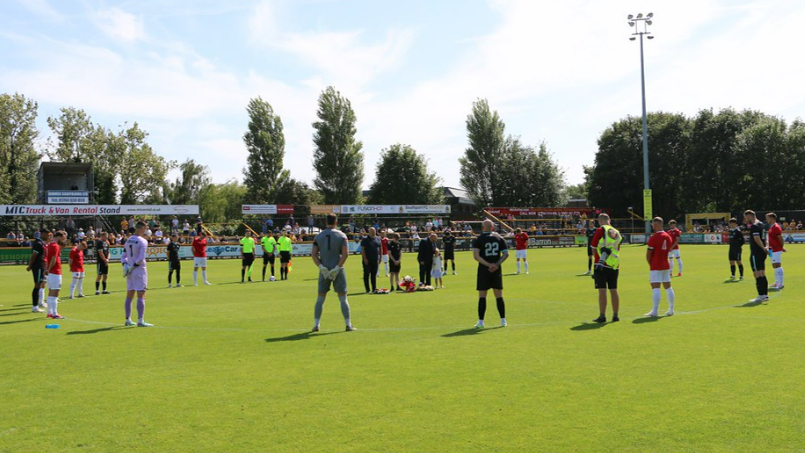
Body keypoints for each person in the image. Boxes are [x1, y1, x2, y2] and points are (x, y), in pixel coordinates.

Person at [311, 214, 355, 332]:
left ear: (326, 222)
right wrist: (337, 268)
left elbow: (313, 254)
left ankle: (316, 325)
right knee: (343, 298)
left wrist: (321, 267)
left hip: (324, 270)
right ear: (336, 222)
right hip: (338, 270)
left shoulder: (318, 236)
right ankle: (348, 324)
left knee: (320, 298)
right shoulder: (342, 235)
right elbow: (345, 254)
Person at [472, 219, 509, 328]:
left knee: (482, 296)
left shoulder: (478, 239)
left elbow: (476, 256)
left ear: (483, 228)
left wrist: (488, 265)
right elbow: (506, 254)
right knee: (499, 296)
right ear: (492, 227)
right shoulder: (499, 238)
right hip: (496, 270)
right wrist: (496, 264)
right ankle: (503, 320)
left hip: (484, 270)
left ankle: (481, 322)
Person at [590, 213, 622, 323]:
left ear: (600, 221)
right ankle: (615, 315)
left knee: (602, 290)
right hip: (614, 264)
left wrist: (598, 260)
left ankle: (602, 316)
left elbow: (593, 247)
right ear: (609, 220)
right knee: (613, 289)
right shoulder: (617, 232)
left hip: (602, 264)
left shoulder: (600, 230)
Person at [123, 222, 153, 327]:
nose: (146, 231)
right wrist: (133, 266)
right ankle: (140, 320)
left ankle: (128, 319)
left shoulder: (128, 240)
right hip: (139, 270)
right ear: (142, 228)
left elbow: (123, 256)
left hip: (130, 271)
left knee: (129, 294)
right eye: (145, 228)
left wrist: (126, 266)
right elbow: (141, 258)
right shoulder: (142, 241)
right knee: (141, 294)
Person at [645, 217, 675, 317]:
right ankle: (671, 309)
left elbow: (648, 254)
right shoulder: (668, 236)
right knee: (668, 287)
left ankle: (655, 310)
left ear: (656, 225)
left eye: (653, 224)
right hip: (665, 264)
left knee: (655, 288)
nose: (652, 226)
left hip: (656, 265)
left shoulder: (653, 238)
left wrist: (651, 264)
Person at [745, 210, 769, 303]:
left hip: (756, 252)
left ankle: (760, 295)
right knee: (762, 272)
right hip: (762, 253)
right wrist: (766, 247)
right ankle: (765, 295)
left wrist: (763, 248)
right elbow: (765, 237)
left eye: (746, 217)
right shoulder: (762, 224)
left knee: (757, 274)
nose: (746, 220)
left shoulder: (754, 226)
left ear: (749, 216)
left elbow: (757, 238)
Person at [45, 231, 67, 319]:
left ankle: (50, 312)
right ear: (59, 237)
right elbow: (53, 259)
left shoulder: (50, 245)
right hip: (55, 272)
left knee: (50, 292)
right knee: (55, 292)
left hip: (51, 273)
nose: (64, 240)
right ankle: (55, 313)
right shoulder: (55, 246)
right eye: (63, 237)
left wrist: (47, 269)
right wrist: (49, 269)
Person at [27, 229, 49, 313]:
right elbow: (34, 255)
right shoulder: (38, 244)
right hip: (38, 267)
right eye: (47, 234)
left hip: (41, 266)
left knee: (39, 285)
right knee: (37, 285)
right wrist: (30, 266)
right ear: (43, 234)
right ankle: (35, 306)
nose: (48, 236)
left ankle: (37, 305)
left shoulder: (41, 243)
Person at [766, 213, 785, 290]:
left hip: (776, 249)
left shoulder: (776, 227)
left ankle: (780, 284)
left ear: (772, 218)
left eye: (767, 218)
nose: (766, 220)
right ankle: (777, 282)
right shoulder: (771, 227)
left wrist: (781, 247)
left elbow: (780, 238)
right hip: (771, 249)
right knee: (774, 266)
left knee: (777, 265)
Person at [361, 227, 381, 293]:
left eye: (374, 231)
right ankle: (367, 289)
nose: (374, 233)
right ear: (369, 232)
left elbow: (380, 248)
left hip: (375, 260)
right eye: (372, 231)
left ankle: (374, 288)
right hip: (367, 260)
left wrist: (380, 257)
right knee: (366, 274)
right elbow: (363, 249)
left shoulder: (378, 238)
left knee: (374, 274)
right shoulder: (365, 239)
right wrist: (365, 258)